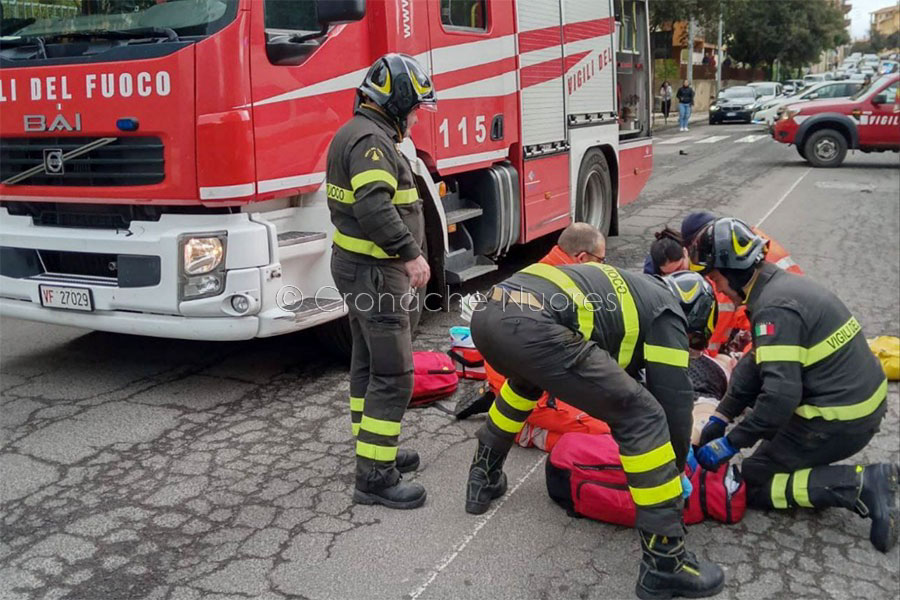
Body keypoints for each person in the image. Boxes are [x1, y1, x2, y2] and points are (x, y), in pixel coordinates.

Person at [464, 266, 725, 599]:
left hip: (489, 314)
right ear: (693, 316)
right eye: (695, 340)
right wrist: (673, 473)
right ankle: (665, 562)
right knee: (643, 417)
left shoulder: (636, 288)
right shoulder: (668, 311)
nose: (689, 347)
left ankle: (482, 477)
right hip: (530, 325)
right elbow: (673, 403)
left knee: (524, 384)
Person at [690, 218, 898, 553]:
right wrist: (721, 415)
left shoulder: (774, 309)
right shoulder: (777, 288)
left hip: (841, 418)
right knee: (769, 439)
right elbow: (757, 365)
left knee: (753, 480)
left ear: (733, 269)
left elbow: (779, 399)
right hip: (855, 401)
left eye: (715, 277)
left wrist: (732, 442)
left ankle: (860, 485)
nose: (718, 287)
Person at [325, 53, 437, 510]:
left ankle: (373, 449)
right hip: (376, 272)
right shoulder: (373, 142)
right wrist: (410, 254)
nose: (415, 117)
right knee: (394, 375)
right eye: (414, 108)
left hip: (359, 270)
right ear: (396, 102)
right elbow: (374, 206)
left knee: (368, 364)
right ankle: (374, 477)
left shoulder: (356, 132)